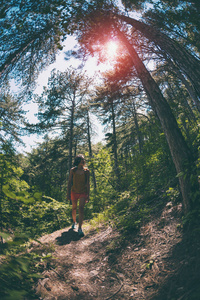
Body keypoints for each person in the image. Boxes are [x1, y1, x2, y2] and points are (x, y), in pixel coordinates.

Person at [67, 154, 90, 237]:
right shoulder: (73, 170)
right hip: (74, 191)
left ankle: (80, 228)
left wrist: (88, 194)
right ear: (77, 161)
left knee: (81, 209)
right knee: (74, 208)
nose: (82, 161)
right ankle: (74, 222)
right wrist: (68, 193)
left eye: (83, 160)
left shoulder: (86, 171)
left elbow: (88, 183)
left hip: (83, 192)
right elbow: (69, 182)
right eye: (81, 160)